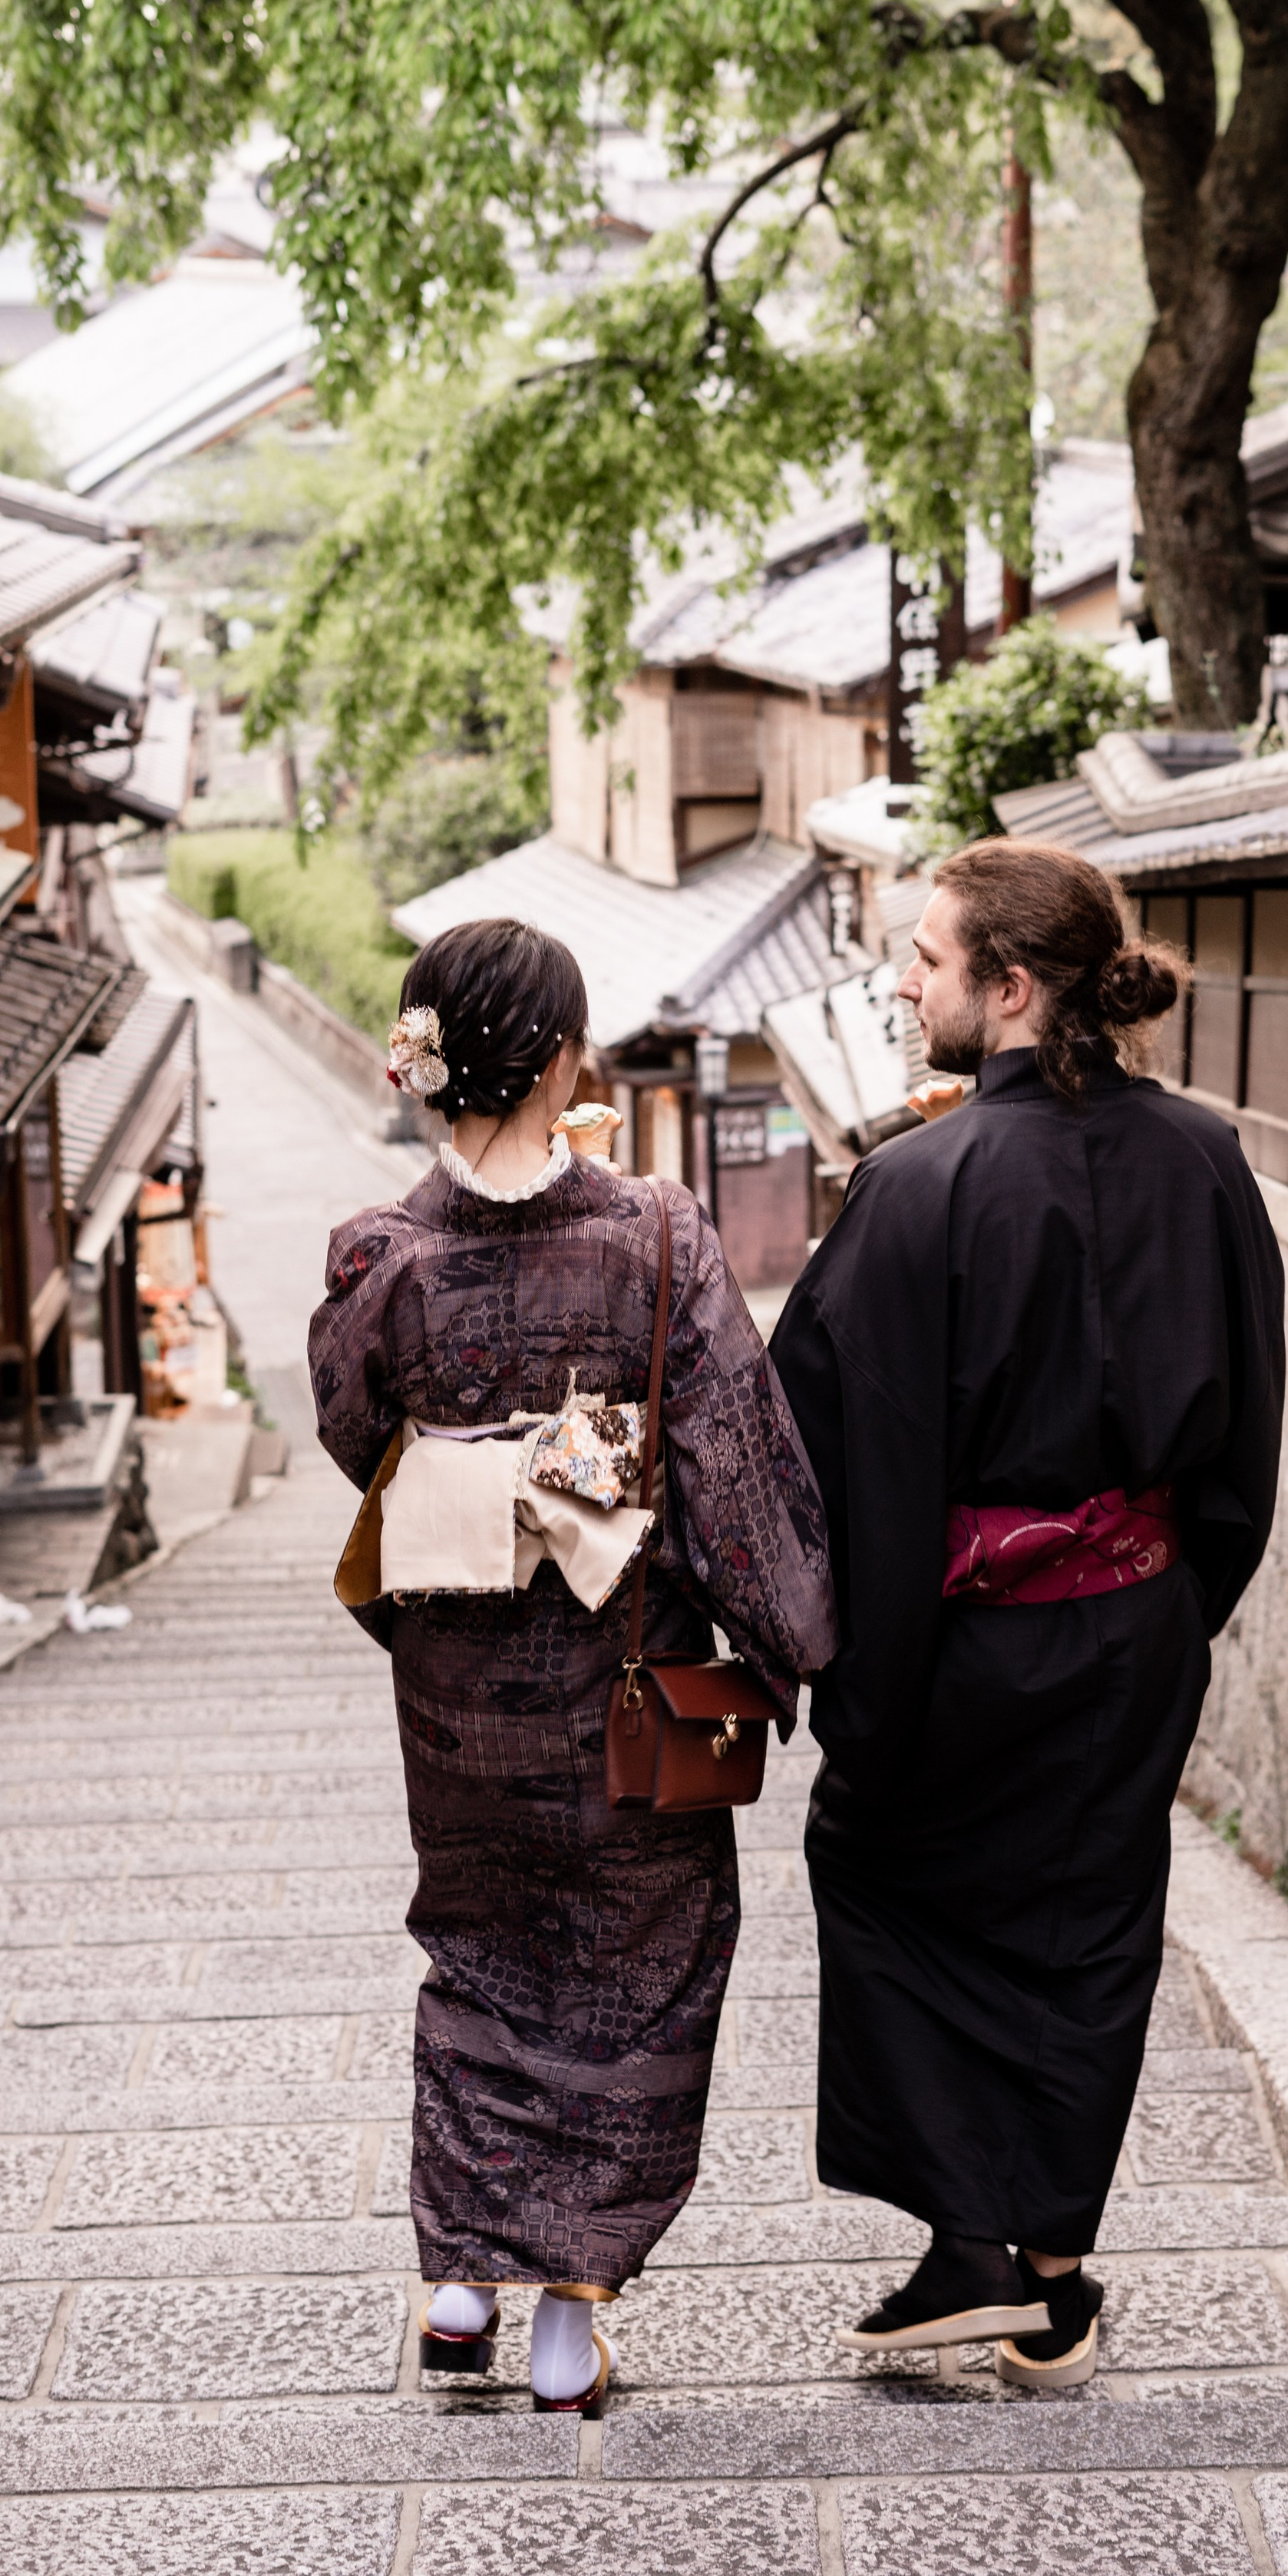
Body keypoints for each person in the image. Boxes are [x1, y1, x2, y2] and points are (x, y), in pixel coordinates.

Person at [769, 840, 1285, 2387]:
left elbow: (817, 1437)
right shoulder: (1202, 1160)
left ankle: (968, 2250)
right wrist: (1176, 1605)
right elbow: (1246, 1426)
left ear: (1007, 986)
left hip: (963, 1641)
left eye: (925, 958)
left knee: (877, 1872)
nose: (902, 981)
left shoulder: (918, 1186)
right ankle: (1049, 2275)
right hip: (1132, 1624)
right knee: (1087, 1924)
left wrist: (848, 1673)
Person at [309, 918, 834, 2413]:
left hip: (457, 1708)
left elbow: (364, 1443)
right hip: (624, 1696)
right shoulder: (654, 1238)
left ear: (426, 1062)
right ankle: (563, 2330)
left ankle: (460, 2284)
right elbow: (731, 1460)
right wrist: (801, 1649)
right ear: (560, 1062)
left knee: (477, 1967)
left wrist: (474, 1463)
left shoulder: (378, 1254)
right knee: (637, 1987)